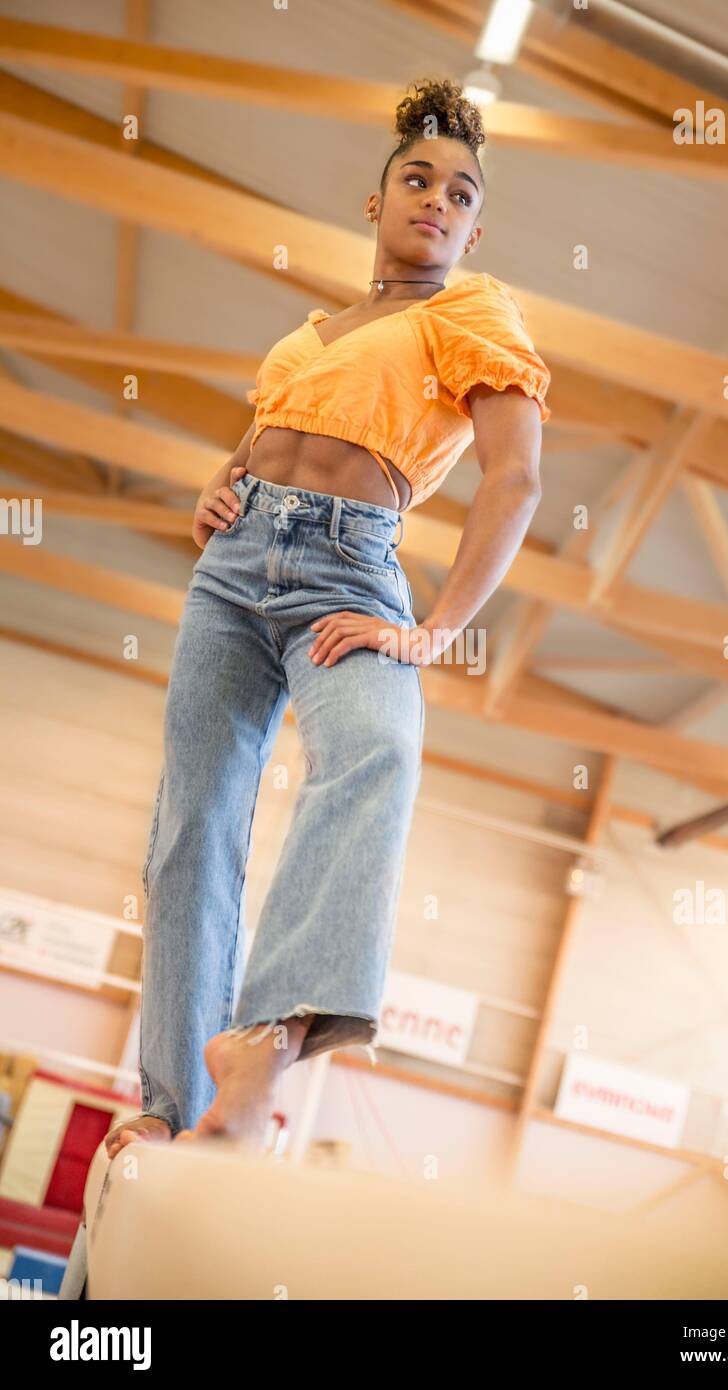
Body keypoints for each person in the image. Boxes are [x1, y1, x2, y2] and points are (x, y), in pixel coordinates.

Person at [105, 75, 551, 1158]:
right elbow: (267, 442)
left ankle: (266, 1039)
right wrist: (217, 487)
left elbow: (515, 482)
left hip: (349, 574)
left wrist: (434, 629)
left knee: (377, 754)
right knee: (190, 828)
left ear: (474, 224)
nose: (435, 201)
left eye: (459, 193)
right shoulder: (313, 331)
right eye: (416, 179)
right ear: (375, 200)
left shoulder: (472, 313)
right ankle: (172, 1104)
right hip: (234, 567)